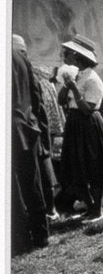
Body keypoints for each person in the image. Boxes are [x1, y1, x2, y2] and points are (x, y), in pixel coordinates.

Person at [56, 35, 103, 222]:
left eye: (67, 53)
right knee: (76, 166)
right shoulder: (77, 75)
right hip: (74, 123)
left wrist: (74, 89)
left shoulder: (92, 79)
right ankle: (90, 206)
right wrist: (67, 87)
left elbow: (88, 109)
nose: (64, 56)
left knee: (93, 166)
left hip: (88, 123)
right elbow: (61, 101)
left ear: (76, 56)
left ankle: (97, 209)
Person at [12, 37, 50, 253]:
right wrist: (35, 121)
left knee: (12, 188)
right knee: (32, 182)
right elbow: (36, 95)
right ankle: (40, 234)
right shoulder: (20, 57)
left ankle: (20, 239)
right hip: (27, 126)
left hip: (11, 126)